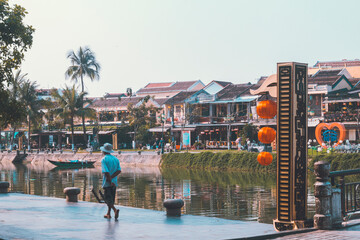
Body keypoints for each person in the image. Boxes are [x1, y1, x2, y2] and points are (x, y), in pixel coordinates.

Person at [100, 143, 121, 220]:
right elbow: (119, 171)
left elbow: (106, 172)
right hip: (114, 182)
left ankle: (115, 210)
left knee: (107, 199)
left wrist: (110, 180)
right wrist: (113, 179)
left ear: (104, 151)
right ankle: (108, 213)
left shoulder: (104, 160)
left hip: (107, 182)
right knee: (111, 198)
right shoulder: (116, 159)